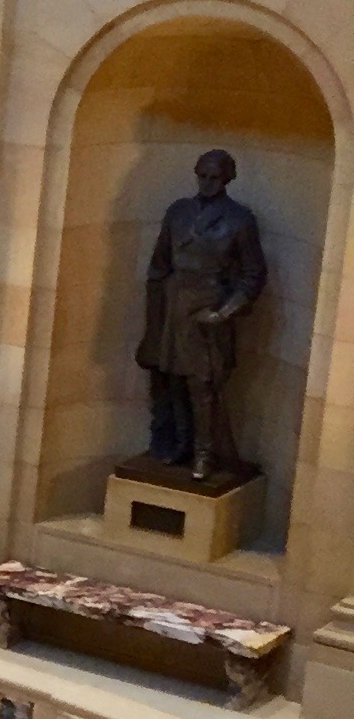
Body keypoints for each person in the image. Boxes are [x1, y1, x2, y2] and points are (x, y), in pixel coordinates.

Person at [136, 147, 267, 483]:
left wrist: (224, 313)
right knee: (173, 380)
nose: (208, 183)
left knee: (202, 386)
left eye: (215, 177)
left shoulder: (239, 219)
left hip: (209, 307)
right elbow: (159, 265)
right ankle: (181, 443)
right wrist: (154, 317)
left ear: (227, 179)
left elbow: (253, 275)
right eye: (203, 175)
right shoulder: (178, 212)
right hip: (174, 304)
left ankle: (205, 453)